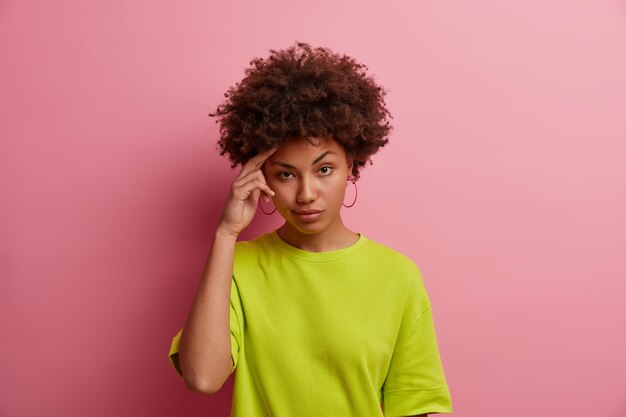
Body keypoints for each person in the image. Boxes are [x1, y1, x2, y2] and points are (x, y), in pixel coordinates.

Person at [168, 41, 452, 417]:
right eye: (285, 174)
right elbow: (203, 378)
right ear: (261, 176)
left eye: (323, 170)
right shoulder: (237, 266)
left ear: (352, 163)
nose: (305, 194)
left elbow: (413, 407)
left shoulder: (397, 276)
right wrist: (226, 232)